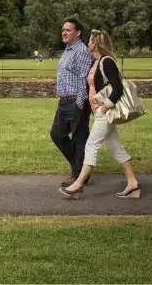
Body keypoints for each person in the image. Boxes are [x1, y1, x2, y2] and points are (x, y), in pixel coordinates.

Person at [59, 29, 141, 199]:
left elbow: (117, 88)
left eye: (90, 40)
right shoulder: (96, 62)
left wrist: (105, 107)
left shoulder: (107, 62)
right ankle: (133, 184)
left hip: (105, 112)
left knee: (91, 145)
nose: (87, 42)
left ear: (95, 44)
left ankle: (78, 184)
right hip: (99, 111)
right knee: (115, 146)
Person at [51, 18, 94, 188]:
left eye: (68, 30)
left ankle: (79, 176)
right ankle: (80, 169)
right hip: (64, 102)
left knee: (79, 139)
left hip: (77, 101)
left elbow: (84, 78)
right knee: (57, 134)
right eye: (63, 30)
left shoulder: (81, 51)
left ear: (78, 33)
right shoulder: (68, 50)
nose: (64, 32)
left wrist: (80, 104)